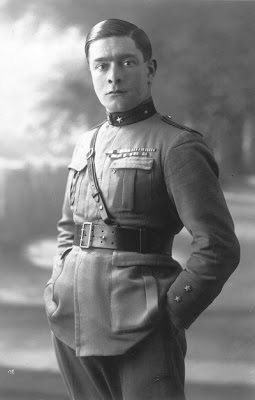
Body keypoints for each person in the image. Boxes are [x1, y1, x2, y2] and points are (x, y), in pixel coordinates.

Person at [44, 19, 240, 400]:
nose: (113, 76)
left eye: (126, 63)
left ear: (149, 69)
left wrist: (171, 314)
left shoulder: (177, 145)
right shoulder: (85, 143)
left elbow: (217, 246)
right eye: (101, 65)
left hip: (143, 324)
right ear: (91, 73)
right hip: (72, 321)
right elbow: (69, 229)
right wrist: (56, 288)